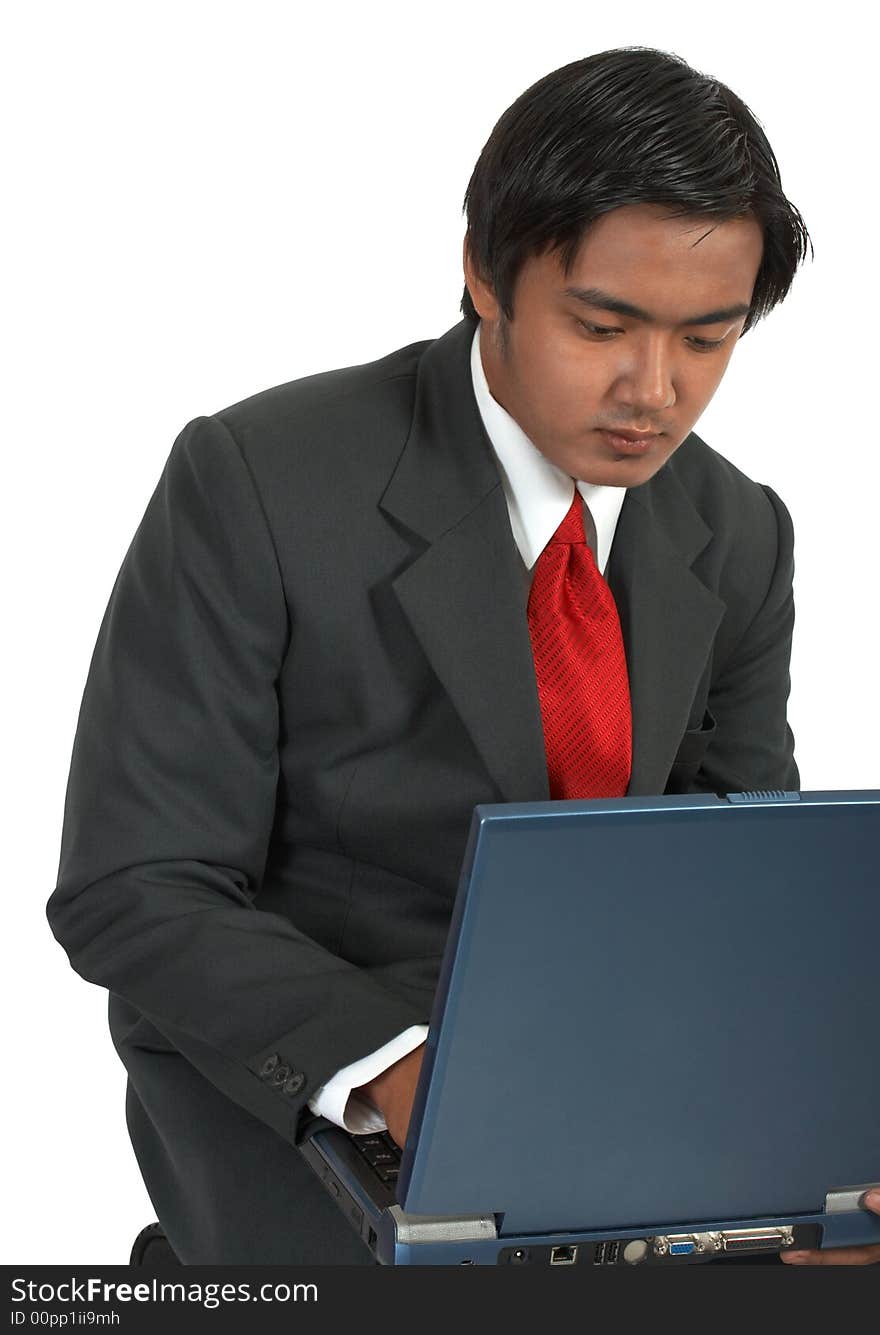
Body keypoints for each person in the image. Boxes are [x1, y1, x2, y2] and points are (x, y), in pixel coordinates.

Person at [46, 45, 880, 1266]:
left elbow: (735, 874)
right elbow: (133, 886)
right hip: (317, 1081)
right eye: (601, 326)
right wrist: (399, 1069)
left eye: (708, 339)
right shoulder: (260, 481)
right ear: (484, 277)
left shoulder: (737, 530)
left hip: (618, 1084)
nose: (653, 391)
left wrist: (810, 1130)